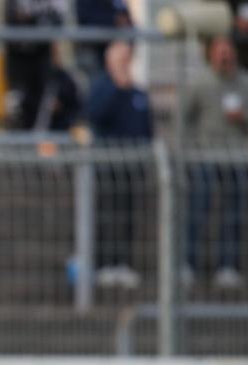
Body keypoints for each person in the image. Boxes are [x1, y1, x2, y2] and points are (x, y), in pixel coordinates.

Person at [184, 35, 248, 289]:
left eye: (228, 51)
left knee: (233, 214)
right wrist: (191, 147)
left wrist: (246, 116)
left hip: (237, 157)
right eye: (219, 51)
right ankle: (189, 265)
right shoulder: (200, 82)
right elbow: (184, 117)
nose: (224, 56)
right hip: (205, 157)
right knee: (197, 212)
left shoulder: (245, 81)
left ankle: (228, 266)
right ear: (211, 54)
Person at [86, 41, 153, 289]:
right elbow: (95, 115)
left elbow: (146, 128)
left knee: (126, 216)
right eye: (119, 57)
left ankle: (123, 263)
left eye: (127, 56)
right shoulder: (102, 87)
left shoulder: (138, 93)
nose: (124, 61)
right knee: (105, 215)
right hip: (107, 165)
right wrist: (116, 87)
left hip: (131, 166)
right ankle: (103, 264)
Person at [3, 0, 67, 130]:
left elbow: (58, 22)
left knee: (42, 109)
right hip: (17, 60)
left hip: (41, 58)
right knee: (17, 109)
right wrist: (35, 21)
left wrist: (31, 20)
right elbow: (11, 19)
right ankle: (16, 146)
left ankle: (37, 145)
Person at [75, 0, 132, 82]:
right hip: (94, 51)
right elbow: (86, 18)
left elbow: (127, 20)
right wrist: (114, 19)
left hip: (114, 48)